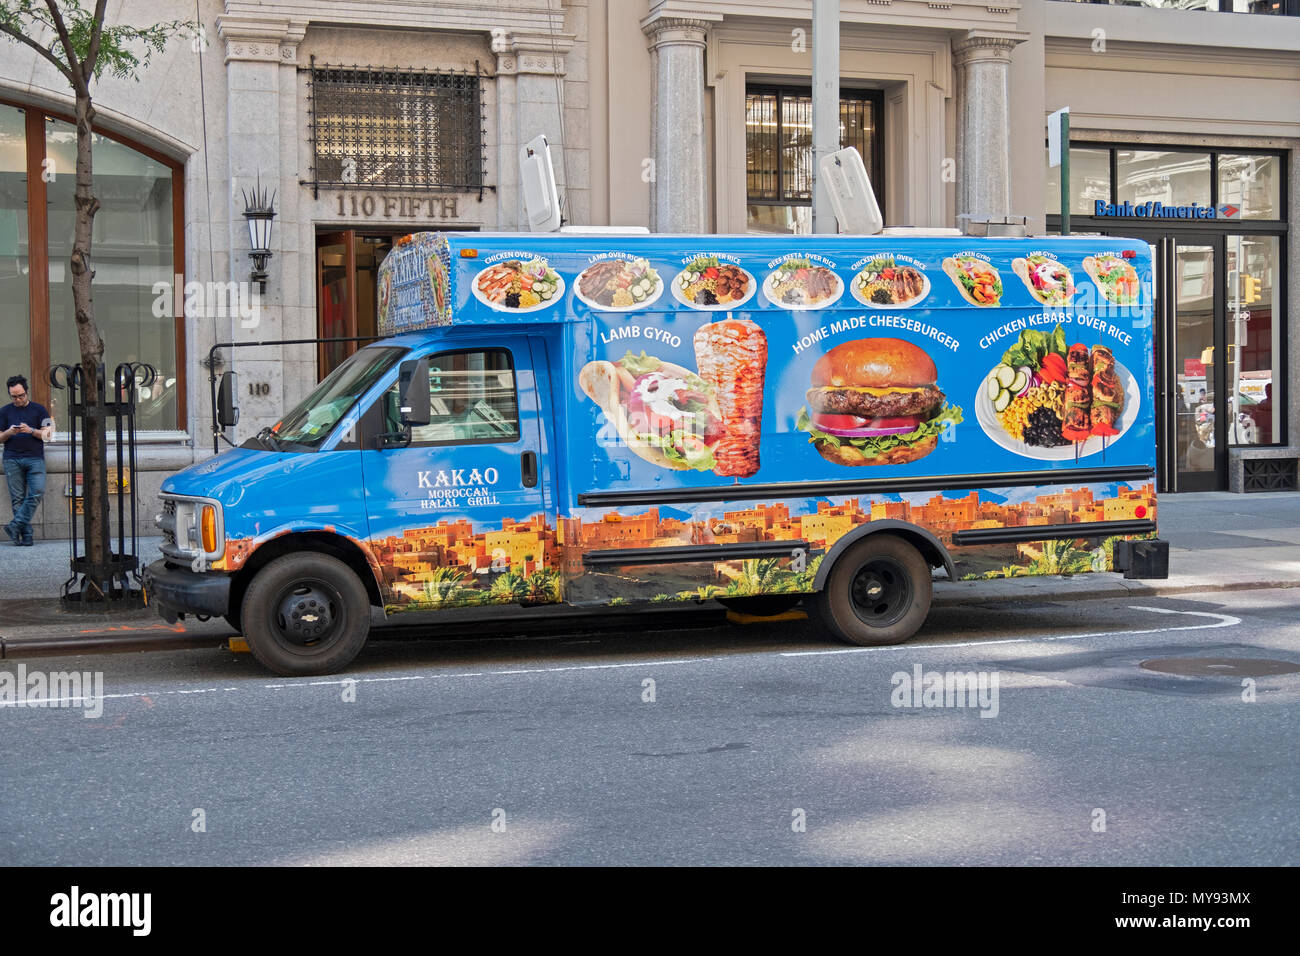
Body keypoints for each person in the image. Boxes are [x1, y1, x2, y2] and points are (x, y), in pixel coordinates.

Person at [1, 375, 54, 546]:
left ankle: (15, 526)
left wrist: (31, 430)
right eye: (14, 396)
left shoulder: (40, 410)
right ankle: (26, 535)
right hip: (12, 459)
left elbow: (48, 435)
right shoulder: (4, 411)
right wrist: (10, 432)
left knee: (37, 492)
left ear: (26, 391)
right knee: (17, 499)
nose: (17, 399)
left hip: (35, 458)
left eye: (21, 395)